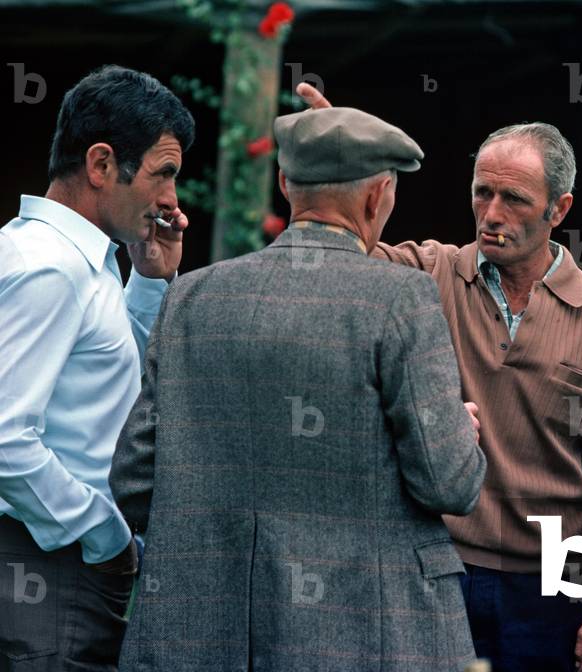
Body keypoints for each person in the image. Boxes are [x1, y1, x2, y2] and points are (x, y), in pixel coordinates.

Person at [109, 106, 487, 672]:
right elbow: (449, 484)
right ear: (378, 195)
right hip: (364, 637)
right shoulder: (400, 298)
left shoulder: (189, 298)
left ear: (285, 184)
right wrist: (461, 431)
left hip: (204, 637)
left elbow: (134, 481)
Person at [299, 83, 582, 672]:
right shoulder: (428, 274)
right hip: (435, 567)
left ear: (559, 210)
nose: (491, 214)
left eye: (513, 199)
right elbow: (342, 255)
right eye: (482, 193)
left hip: (550, 585)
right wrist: (345, 162)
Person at [0, 65, 193, 670]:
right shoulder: (51, 269)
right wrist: (104, 536)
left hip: (56, 558)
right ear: (102, 164)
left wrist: (150, 277)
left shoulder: (70, 256)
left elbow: (107, 383)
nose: (172, 200)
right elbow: (4, 438)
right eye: (164, 174)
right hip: (46, 564)